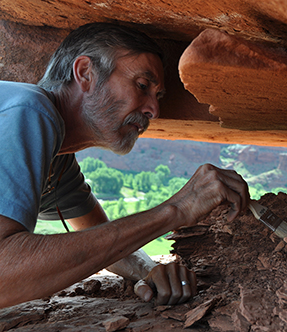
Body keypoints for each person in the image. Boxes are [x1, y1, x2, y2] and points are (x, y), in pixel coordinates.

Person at [0, 22, 250, 309]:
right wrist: (178, 209)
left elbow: (106, 241)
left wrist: (147, 270)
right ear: (85, 73)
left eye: (158, 96)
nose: (153, 110)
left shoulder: (57, 161)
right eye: (142, 86)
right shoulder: (30, 109)